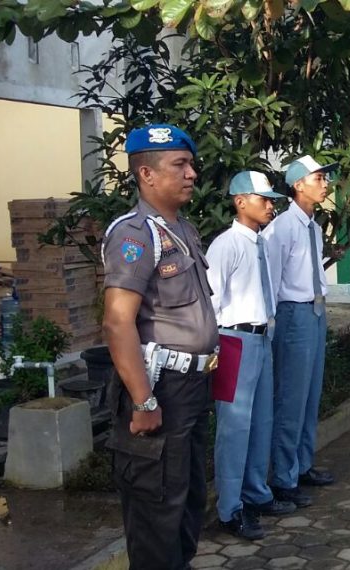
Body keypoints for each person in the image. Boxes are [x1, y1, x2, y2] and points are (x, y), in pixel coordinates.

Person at [101, 124, 219, 569]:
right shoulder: (134, 235)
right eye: (180, 165)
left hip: (191, 389)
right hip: (160, 388)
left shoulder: (182, 229)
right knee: (157, 511)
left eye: (191, 164)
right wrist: (142, 400)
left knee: (187, 503)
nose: (192, 173)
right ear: (146, 174)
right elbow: (118, 321)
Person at [206, 171, 296, 540]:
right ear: (240, 201)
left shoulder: (260, 244)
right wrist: (213, 350)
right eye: (264, 199)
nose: (270, 206)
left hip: (260, 338)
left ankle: (257, 493)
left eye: (272, 200)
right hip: (233, 341)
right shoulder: (226, 245)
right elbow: (211, 301)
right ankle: (229, 509)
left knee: (261, 422)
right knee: (234, 429)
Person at [263, 154, 337, 509]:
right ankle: (283, 477)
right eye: (318, 178)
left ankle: (302, 464)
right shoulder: (281, 228)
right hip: (293, 314)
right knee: (291, 397)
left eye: (325, 178)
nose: (325, 184)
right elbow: (272, 280)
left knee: (310, 394)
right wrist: (273, 324)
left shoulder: (312, 226)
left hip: (315, 311)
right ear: (298, 185)